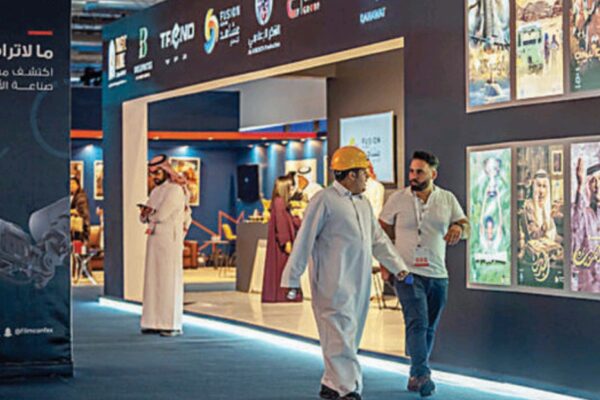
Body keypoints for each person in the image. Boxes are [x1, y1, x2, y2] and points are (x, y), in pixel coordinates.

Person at [281, 146, 409, 400]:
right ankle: (347, 388)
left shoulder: (363, 204)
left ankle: (331, 382)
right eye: (364, 172)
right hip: (332, 282)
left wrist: (398, 267)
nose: (367, 178)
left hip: (359, 282)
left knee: (349, 336)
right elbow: (304, 240)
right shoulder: (324, 200)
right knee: (338, 335)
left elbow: (378, 239)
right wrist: (292, 278)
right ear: (351, 175)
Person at [379, 151, 469, 397]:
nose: (413, 176)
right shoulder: (398, 198)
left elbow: (466, 225)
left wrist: (458, 227)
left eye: (419, 172)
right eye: (411, 171)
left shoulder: (447, 199)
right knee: (417, 321)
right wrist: (386, 263)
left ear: (433, 174)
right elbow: (380, 231)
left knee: (429, 327)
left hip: (438, 274)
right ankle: (423, 374)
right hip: (407, 273)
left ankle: (415, 375)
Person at [139, 154, 192, 337]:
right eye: (151, 173)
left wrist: (149, 214)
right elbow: (145, 216)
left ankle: (170, 324)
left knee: (169, 282)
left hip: (170, 241)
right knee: (153, 281)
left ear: (166, 171)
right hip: (154, 240)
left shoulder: (175, 190)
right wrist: (145, 214)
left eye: (157, 173)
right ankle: (152, 321)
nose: (154, 177)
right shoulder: (155, 191)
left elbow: (161, 215)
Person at [262, 176, 302, 303]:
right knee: (283, 270)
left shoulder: (282, 203)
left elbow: (290, 220)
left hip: (283, 243)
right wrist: (286, 242)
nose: (292, 190)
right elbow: (281, 224)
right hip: (282, 245)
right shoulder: (279, 202)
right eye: (290, 188)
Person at [571, 158, 600, 292]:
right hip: (589, 288)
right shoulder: (585, 214)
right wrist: (579, 185)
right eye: (593, 181)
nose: (597, 185)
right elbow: (575, 228)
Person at [70, 176, 90, 243]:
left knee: (78, 246)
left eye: (73, 184)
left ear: (78, 185)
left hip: (81, 229)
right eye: (70, 184)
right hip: (78, 229)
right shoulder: (75, 196)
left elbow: (80, 211)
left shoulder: (81, 197)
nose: (71, 186)